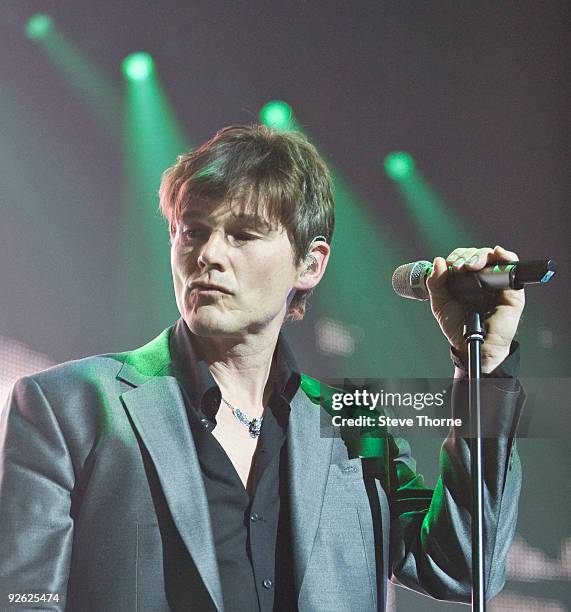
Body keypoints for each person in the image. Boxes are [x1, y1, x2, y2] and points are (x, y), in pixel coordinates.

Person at [0, 125, 525, 611]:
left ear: (310, 264)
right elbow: (22, 600)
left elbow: (462, 565)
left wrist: (486, 368)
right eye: (192, 232)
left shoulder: (353, 426)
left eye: (243, 235)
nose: (208, 255)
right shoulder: (71, 405)